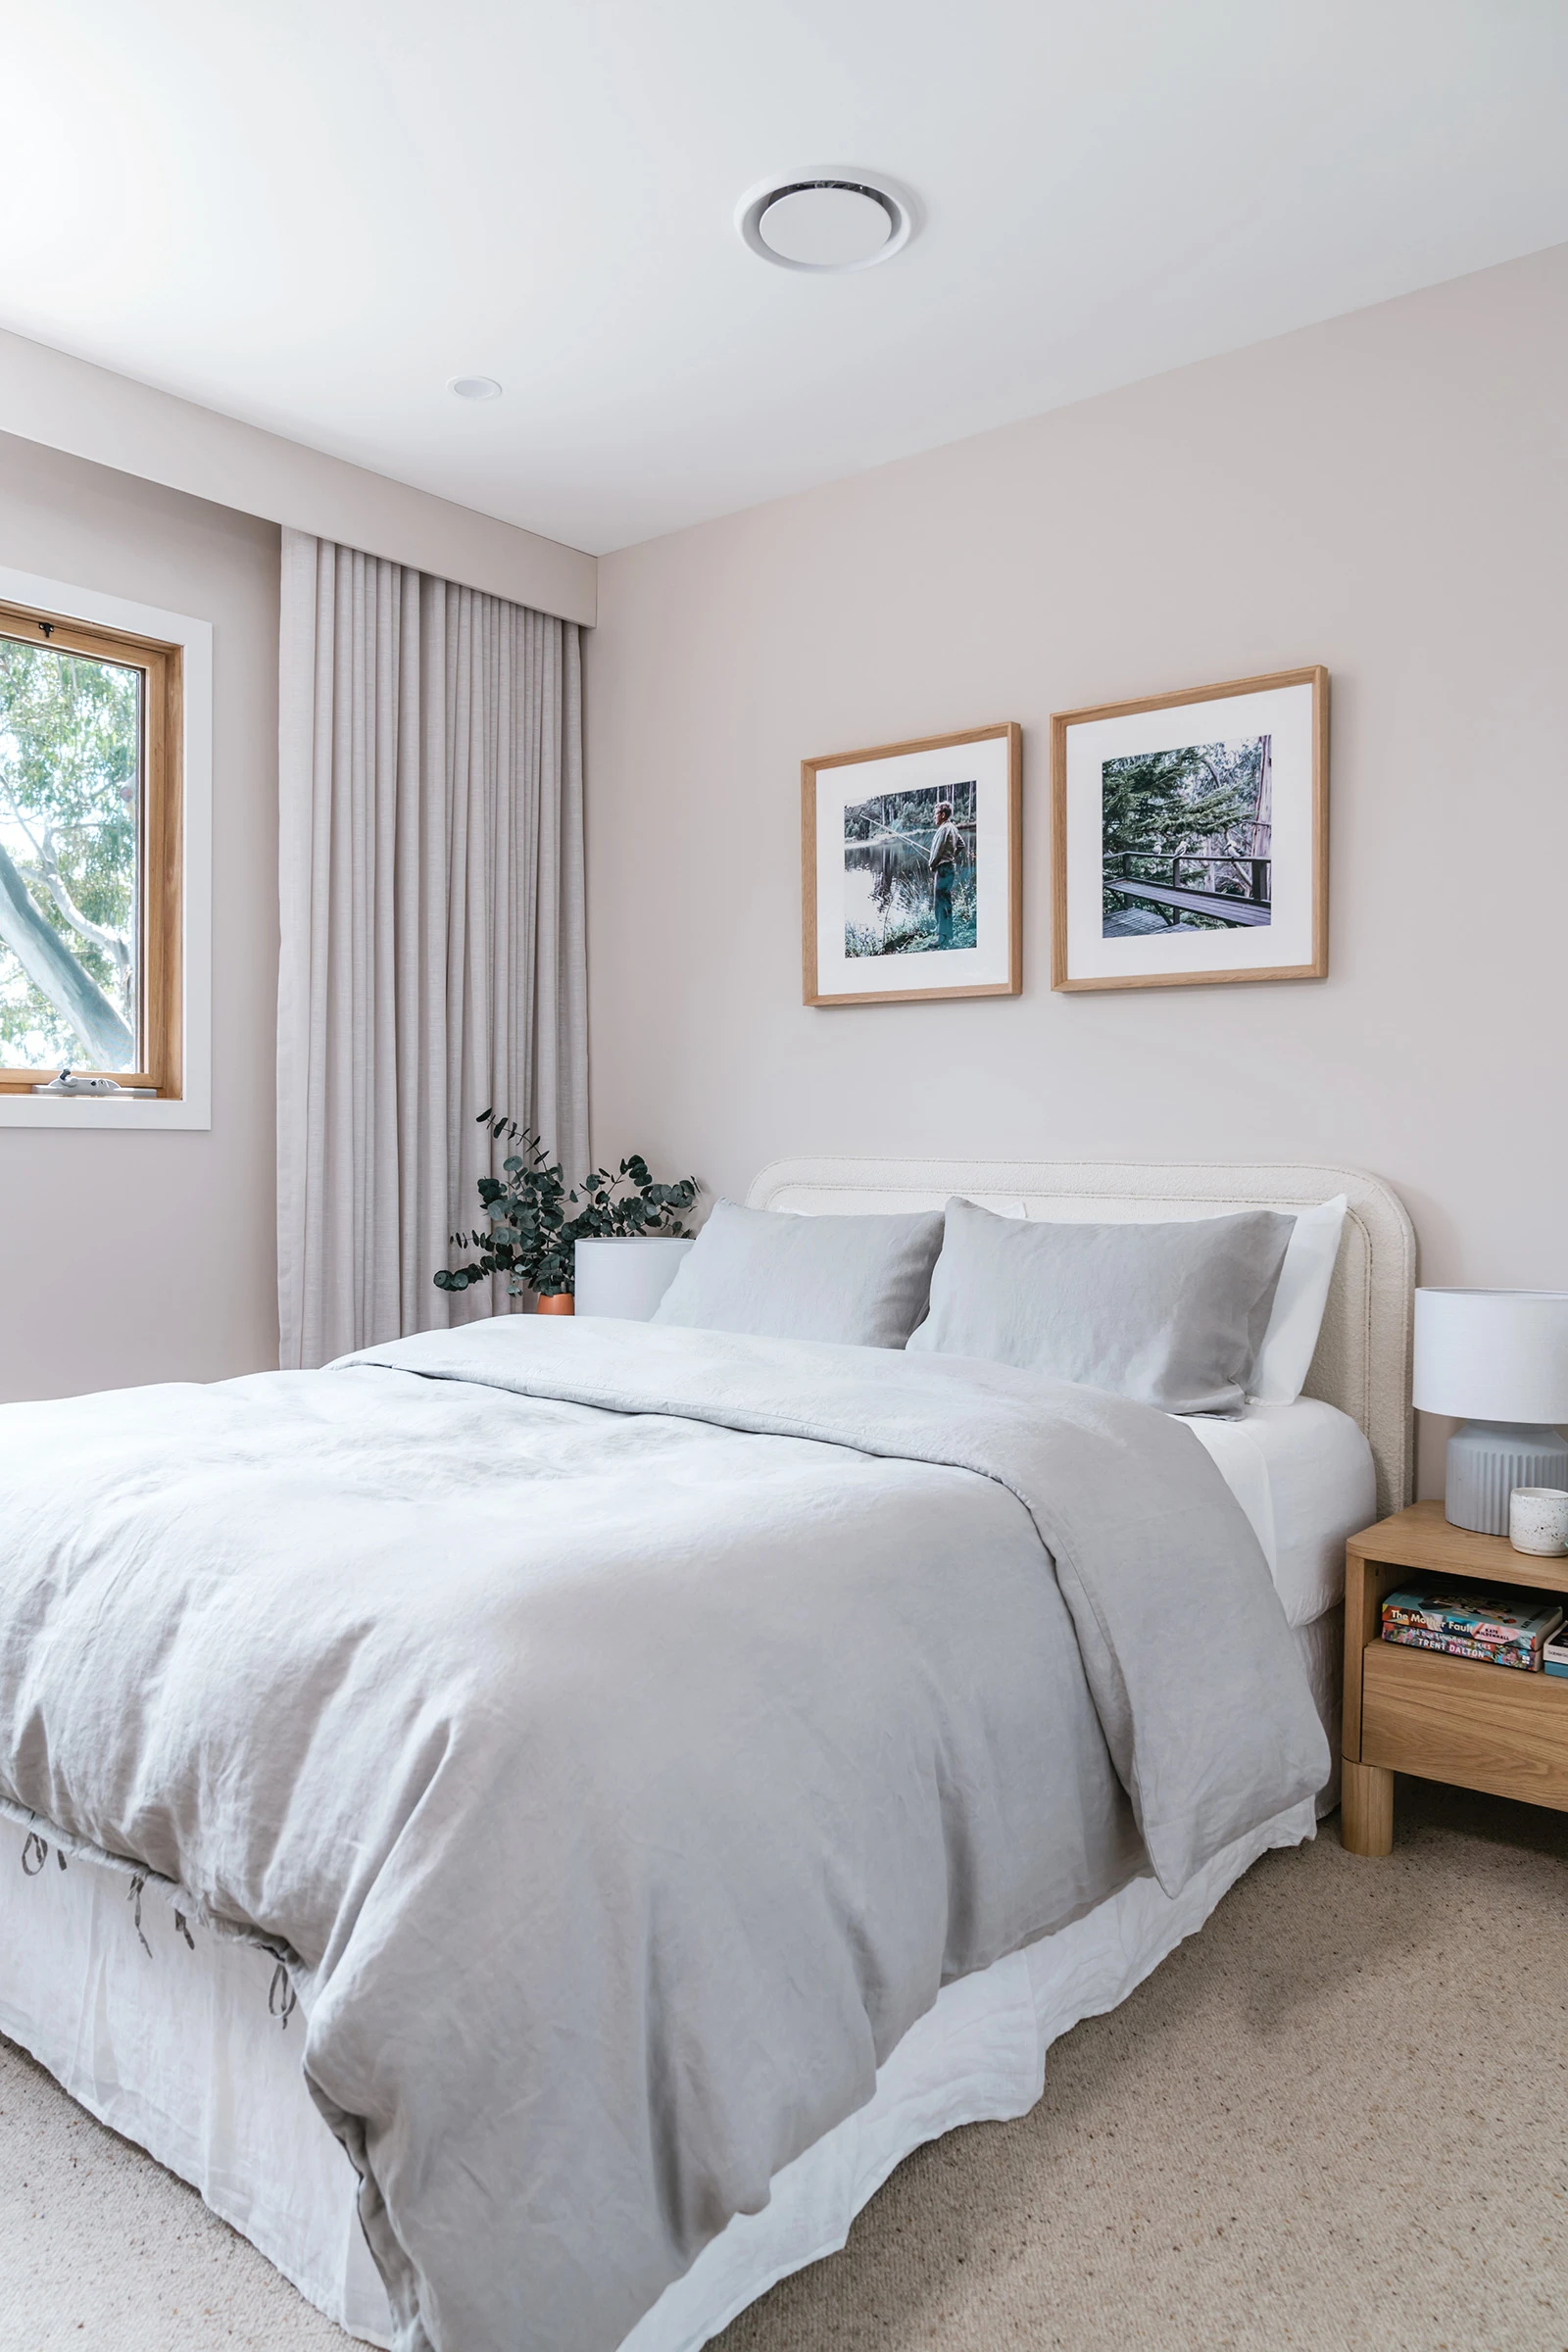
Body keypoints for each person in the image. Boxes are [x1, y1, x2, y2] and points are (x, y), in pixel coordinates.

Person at [928, 801, 964, 949]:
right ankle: (948, 934)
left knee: (940, 902)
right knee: (946, 901)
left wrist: (932, 864)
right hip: (950, 867)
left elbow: (937, 851)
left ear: (943, 815)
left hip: (943, 869)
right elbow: (961, 844)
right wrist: (951, 856)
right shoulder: (953, 828)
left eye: (936, 814)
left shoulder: (943, 829)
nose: (934, 817)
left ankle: (941, 937)